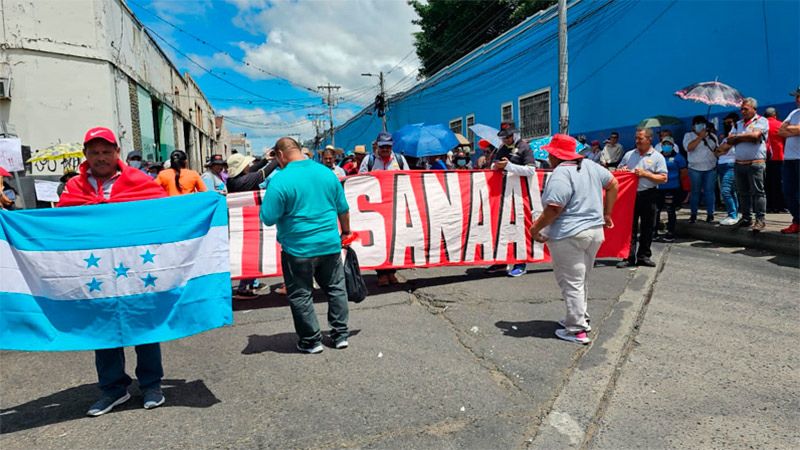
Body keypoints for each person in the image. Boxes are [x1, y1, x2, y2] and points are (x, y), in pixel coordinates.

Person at [57, 126, 167, 416]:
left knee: (143, 325)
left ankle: (151, 385)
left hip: (135, 270)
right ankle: (113, 390)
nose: (101, 157)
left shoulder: (138, 180)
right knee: (103, 329)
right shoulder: (74, 188)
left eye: (106, 151)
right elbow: (62, 225)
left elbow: (165, 213)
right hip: (95, 275)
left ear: (117, 152)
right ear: (86, 155)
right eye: (94, 152)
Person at [260, 137, 352, 354]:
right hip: (330, 243)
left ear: (280, 155)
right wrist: (346, 231)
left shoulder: (280, 180)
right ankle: (340, 335)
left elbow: (268, 217)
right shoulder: (327, 173)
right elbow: (343, 208)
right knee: (336, 288)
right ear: (300, 151)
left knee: (301, 294)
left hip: (297, 248)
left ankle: (311, 341)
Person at [529, 134, 618, 345]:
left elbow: (554, 208)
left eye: (551, 153)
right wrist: (607, 214)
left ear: (555, 155)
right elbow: (613, 184)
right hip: (594, 232)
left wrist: (535, 228)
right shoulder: (591, 165)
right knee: (581, 278)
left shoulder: (560, 173)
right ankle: (579, 317)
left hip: (569, 234)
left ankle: (576, 329)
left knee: (571, 282)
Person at [486, 121, 536, 278]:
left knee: (519, 228)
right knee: (502, 228)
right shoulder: (501, 148)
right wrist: (496, 166)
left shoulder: (524, 147)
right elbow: (493, 165)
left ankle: (520, 263)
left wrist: (508, 166)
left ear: (513, 134)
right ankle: (502, 261)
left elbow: (531, 170)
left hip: (520, 195)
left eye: (508, 137)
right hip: (502, 194)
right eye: (503, 137)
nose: (505, 140)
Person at [359, 132, 408, 286]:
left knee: (395, 240)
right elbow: (360, 180)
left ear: (392, 146)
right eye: (382, 147)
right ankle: (381, 273)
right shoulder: (369, 160)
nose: (385, 149)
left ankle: (392, 272)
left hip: (395, 207)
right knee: (379, 241)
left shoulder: (399, 159)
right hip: (375, 209)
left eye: (388, 146)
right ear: (377, 147)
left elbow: (408, 178)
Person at [616, 128, 668, 268]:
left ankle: (644, 256)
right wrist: (622, 171)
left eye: (641, 138)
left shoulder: (657, 157)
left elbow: (663, 178)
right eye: (636, 138)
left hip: (649, 194)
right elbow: (619, 170)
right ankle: (628, 256)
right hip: (630, 195)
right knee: (629, 227)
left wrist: (646, 174)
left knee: (647, 227)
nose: (637, 141)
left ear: (649, 139)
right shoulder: (629, 155)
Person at [718, 97, 769, 231]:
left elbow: (755, 137)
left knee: (758, 192)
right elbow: (729, 141)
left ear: (754, 109)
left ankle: (760, 220)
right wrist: (742, 137)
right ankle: (746, 218)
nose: (743, 111)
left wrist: (737, 137)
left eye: (745, 109)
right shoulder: (738, 124)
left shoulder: (762, 121)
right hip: (739, 163)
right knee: (742, 193)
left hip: (755, 163)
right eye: (741, 109)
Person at [683, 116, 719, 223]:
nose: (700, 126)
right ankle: (693, 214)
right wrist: (700, 137)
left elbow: (716, 150)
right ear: (693, 126)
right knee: (695, 192)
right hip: (695, 169)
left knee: (709, 192)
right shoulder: (688, 135)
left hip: (710, 168)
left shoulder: (712, 136)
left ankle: (710, 214)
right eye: (697, 124)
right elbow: (689, 148)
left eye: (702, 124)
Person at [655, 136, 688, 242]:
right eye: (664, 144)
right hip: (659, 187)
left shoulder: (679, 158)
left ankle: (670, 232)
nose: (666, 146)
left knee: (670, 210)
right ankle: (654, 232)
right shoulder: (657, 157)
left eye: (668, 144)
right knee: (656, 210)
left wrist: (673, 180)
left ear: (673, 146)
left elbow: (683, 173)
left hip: (672, 188)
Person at [777, 86, 800, 234]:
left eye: (799, 96)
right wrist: (795, 129)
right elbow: (780, 131)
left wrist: (791, 129)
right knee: (788, 191)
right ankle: (797, 220)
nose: (797, 99)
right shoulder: (794, 113)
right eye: (796, 96)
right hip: (789, 159)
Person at [715, 113, 740, 225]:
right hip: (722, 165)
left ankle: (732, 214)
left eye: (730, 122)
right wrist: (719, 150)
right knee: (731, 191)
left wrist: (720, 150)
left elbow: (723, 150)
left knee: (725, 190)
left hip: (730, 165)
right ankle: (735, 213)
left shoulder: (734, 136)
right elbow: (717, 152)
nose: (727, 125)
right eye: (725, 123)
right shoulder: (725, 138)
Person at [764, 107, 786, 213]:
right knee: (779, 183)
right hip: (778, 157)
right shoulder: (780, 124)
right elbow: (785, 140)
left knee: (767, 183)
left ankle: (769, 206)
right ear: (775, 115)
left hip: (764, 158)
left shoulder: (761, 125)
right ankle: (780, 206)